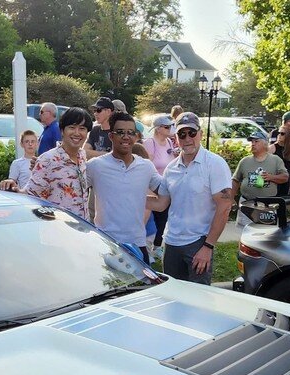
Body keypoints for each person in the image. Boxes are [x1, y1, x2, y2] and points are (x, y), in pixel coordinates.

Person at [146, 112, 233, 285]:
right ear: (176, 137)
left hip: (199, 242)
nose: (187, 139)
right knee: (173, 298)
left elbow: (224, 207)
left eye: (192, 133)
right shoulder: (171, 168)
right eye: (182, 134)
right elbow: (161, 203)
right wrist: (128, 195)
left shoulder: (215, 164)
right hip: (171, 243)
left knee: (198, 300)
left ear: (200, 134)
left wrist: (208, 247)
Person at [85, 112, 163, 263]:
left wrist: (137, 198)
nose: (126, 137)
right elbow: (71, 189)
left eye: (131, 133)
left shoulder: (146, 166)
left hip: (137, 244)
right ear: (111, 136)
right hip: (105, 244)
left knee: (144, 287)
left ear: (136, 136)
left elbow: (165, 194)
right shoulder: (96, 166)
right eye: (120, 132)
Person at [12, 107, 94, 220]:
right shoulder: (47, 160)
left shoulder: (82, 156)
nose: (77, 133)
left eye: (82, 128)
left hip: (82, 230)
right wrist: (12, 187)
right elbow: (30, 197)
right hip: (57, 230)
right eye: (72, 127)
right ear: (62, 130)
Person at [232, 130, 289, 225]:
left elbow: (285, 177)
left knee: (265, 233)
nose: (253, 144)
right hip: (247, 203)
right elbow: (235, 180)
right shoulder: (245, 161)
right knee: (244, 233)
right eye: (252, 142)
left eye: (256, 141)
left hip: (267, 204)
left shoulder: (275, 160)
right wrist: (231, 198)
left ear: (265, 143)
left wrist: (271, 177)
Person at [142, 115, 180, 256]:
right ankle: (145, 248)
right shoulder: (150, 143)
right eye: (167, 126)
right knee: (149, 219)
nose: (171, 129)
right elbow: (147, 165)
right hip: (152, 187)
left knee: (163, 217)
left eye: (171, 126)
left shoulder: (170, 142)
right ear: (158, 129)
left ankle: (157, 246)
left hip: (166, 185)